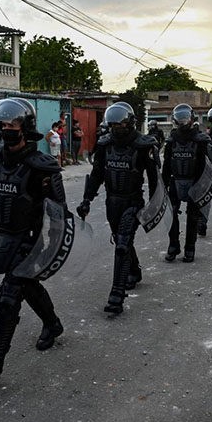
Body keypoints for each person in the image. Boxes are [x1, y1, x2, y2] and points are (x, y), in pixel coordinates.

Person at [0, 97, 66, 389]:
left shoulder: (42, 167)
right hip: (4, 237)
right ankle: (53, 324)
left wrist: (53, 249)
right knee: (27, 286)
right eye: (3, 124)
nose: (7, 129)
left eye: (13, 124)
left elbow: (59, 212)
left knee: (9, 295)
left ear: (25, 127)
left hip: (31, 241)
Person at [77, 102, 158, 313]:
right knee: (122, 240)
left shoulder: (143, 145)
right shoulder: (105, 145)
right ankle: (134, 270)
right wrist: (87, 199)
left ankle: (117, 295)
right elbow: (96, 175)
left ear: (130, 123)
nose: (117, 128)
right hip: (111, 202)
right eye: (113, 125)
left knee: (122, 243)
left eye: (120, 124)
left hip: (133, 201)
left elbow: (154, 178)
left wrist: (153, 204)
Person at [162, 104, 210, 263]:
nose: (183, 122)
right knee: (172, 213)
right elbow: (167, 164)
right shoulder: (171, 140)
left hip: (194, 182)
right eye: (180, 119)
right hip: (176, 181)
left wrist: (200, 186)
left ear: (192, 119)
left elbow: (204, 165)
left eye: (185, 119)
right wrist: (162, 184)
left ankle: (190, 248)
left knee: (193, 217)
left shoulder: (200, 140)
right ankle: (173, 245)